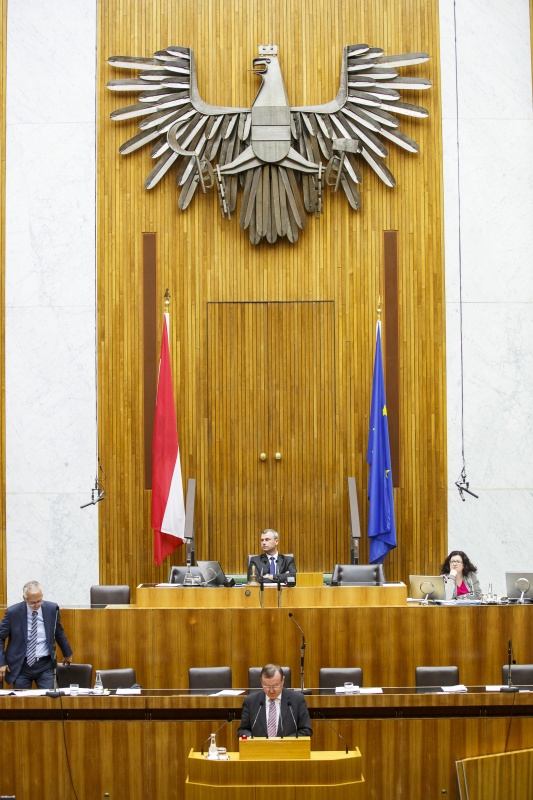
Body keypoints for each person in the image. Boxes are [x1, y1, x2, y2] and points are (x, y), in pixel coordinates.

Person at [0, 580, 73, 689]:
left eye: (39, 601)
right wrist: (2, 662)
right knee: (22, 701)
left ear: (42, 596)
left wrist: (67, 653)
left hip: (45, 664)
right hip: (21, 665)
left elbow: (58, 631)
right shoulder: (13, 612)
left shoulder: (52, 609)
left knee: (49, 699)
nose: (36, 605)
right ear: (24, 599)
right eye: (32, 602)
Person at [238, 663, 312, 738]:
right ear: (261, 682)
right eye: (266, 686)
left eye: (275, 685)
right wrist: (253, 740)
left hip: (288, 748)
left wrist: (282, 742)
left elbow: (306, 730)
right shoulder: (250, 701)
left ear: (282, 681)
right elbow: (243, 730)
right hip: (259, 748)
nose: (271, 690)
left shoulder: (297, 700)